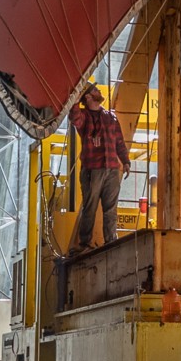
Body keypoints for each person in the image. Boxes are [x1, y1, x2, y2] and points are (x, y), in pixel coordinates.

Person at [68, 84, 130, 255]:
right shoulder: (84, 117)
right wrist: (75, 99)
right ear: (88, 97)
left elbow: (119, 142)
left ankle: (111, 242)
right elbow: (74, 118)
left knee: (110, 209)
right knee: (90, 207)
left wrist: (125, 161)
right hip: (92, 171)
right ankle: (84, 243)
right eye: (95, 91)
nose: (99, 92)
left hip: (111, 169)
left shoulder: (111, 117)